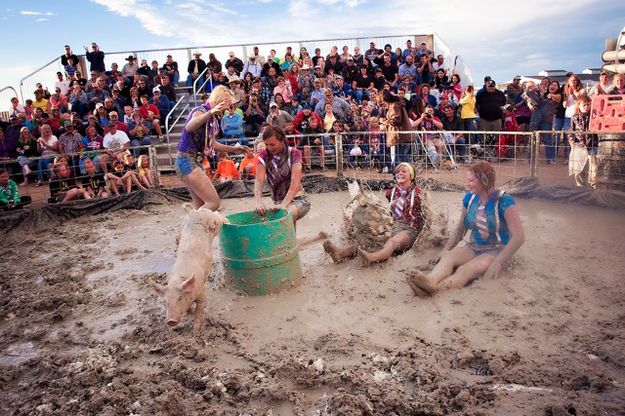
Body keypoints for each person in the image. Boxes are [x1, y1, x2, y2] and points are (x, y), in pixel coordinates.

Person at [406, 161, 524, 296]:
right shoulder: (470, 198)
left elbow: (519, 237)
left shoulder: (505, 202)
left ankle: (437, 291)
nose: (467, 184)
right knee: (448, 258)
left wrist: (499, 261)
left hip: (496, 252)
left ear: (484, 181)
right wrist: (445, 250)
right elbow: (461, 228)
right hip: (474, 247)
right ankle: (430, 281)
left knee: (465, 269)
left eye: (471, 180)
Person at [323, 163, 424, 265]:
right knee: (370, 239)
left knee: (393, 241)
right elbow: (388, 212)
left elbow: (426, 213)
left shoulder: (419, 192)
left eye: (404, 171)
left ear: (411, 176)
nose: (400, 173)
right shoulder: (392, 192)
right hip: (395, 225)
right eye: (398, 172)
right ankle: (341, 253)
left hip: (410, 229)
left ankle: (371, 257)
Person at [176, 85, 250, 210]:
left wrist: (235, 149)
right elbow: (190, 126)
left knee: (200, 205)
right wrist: (210, 112)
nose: (228, 109)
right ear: (220, 101)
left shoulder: (213, 119)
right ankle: (191, 225)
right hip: (186, 160)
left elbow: (213, 144)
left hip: (191, 161)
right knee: (213, 203)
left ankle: (192, 226)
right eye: (228, 104)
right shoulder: (201, 111)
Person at [254, 125, 310, 227]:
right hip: (278, 202)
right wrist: (259, 201)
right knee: (288, 230)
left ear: (282, 140)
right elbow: (259, 180)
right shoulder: (263, 155)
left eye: (272, 144)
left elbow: (295, 183)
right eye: (266, 145)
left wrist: (284, 204)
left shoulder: (294, 153)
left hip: (298, 199)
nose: (269, 148)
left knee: (283, 217)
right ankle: (294, 242)